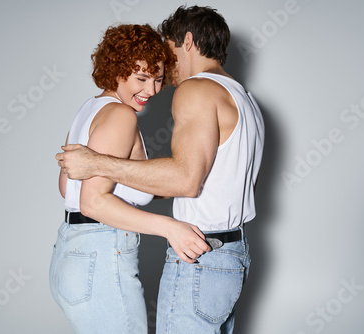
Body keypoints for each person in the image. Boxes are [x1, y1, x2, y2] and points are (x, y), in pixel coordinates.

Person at [56, 5, 265, 334]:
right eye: (146, 76)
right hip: (233, 254)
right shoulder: (246, 100)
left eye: (166, 57)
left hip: (198, 256)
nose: (162, 78)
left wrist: (96, 164)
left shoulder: (196, 90)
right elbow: (223, 184)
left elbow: (185, 179)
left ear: (188, 41)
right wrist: (162, 216)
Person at [49, 23, 211, 334]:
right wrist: (171, 229)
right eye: (141, 78)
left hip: (70, 256)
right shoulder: (120, 116)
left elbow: (66, 188)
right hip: (101, 259)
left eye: (159, 79)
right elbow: (93, 202)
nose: (151, 90)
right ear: (115, 70)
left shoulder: (89, 109)